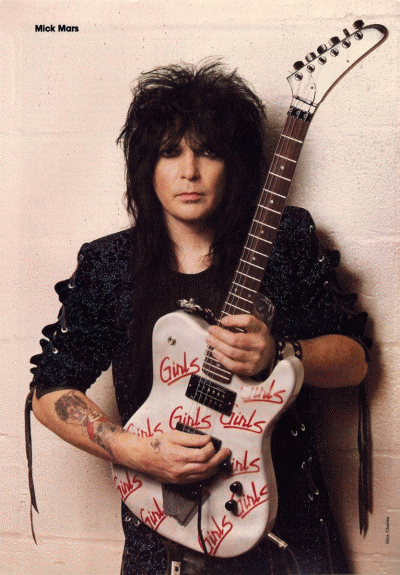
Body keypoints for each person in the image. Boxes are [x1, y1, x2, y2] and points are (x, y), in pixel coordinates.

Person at [27, 61, 370, 575]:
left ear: (235, 164)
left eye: (208, 151)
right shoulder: (110, 265)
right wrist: (133, 449)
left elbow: (355, 362)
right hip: (162, 538)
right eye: (170, 152)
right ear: (146, 166)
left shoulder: (284, 241)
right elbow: (49, 390)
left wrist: (280, 352)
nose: (189, 172)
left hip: (286, 538)